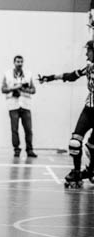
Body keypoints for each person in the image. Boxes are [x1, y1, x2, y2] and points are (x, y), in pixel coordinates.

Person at [39, 40, 94, 188]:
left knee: (91, 147)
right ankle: (77, 172)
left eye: (88, 50)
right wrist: (50, 77)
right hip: (89, 109)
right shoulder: (89, 67)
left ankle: (91, 170)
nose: (86, 53)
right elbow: (72, 76)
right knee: (75, 142)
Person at [2, 55, 37, 159]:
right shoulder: (7, 74)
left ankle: (29, 149)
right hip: (13, 105)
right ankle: (16, 149)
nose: (19, 63)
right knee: (14, 129)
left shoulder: (28, 74)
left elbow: (33, 90)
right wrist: (14, 88)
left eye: (21, 61)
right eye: (17, 61)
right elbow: (3, 89)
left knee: (28, 129)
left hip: (25, 104)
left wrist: (23, 89)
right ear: (14, 62)